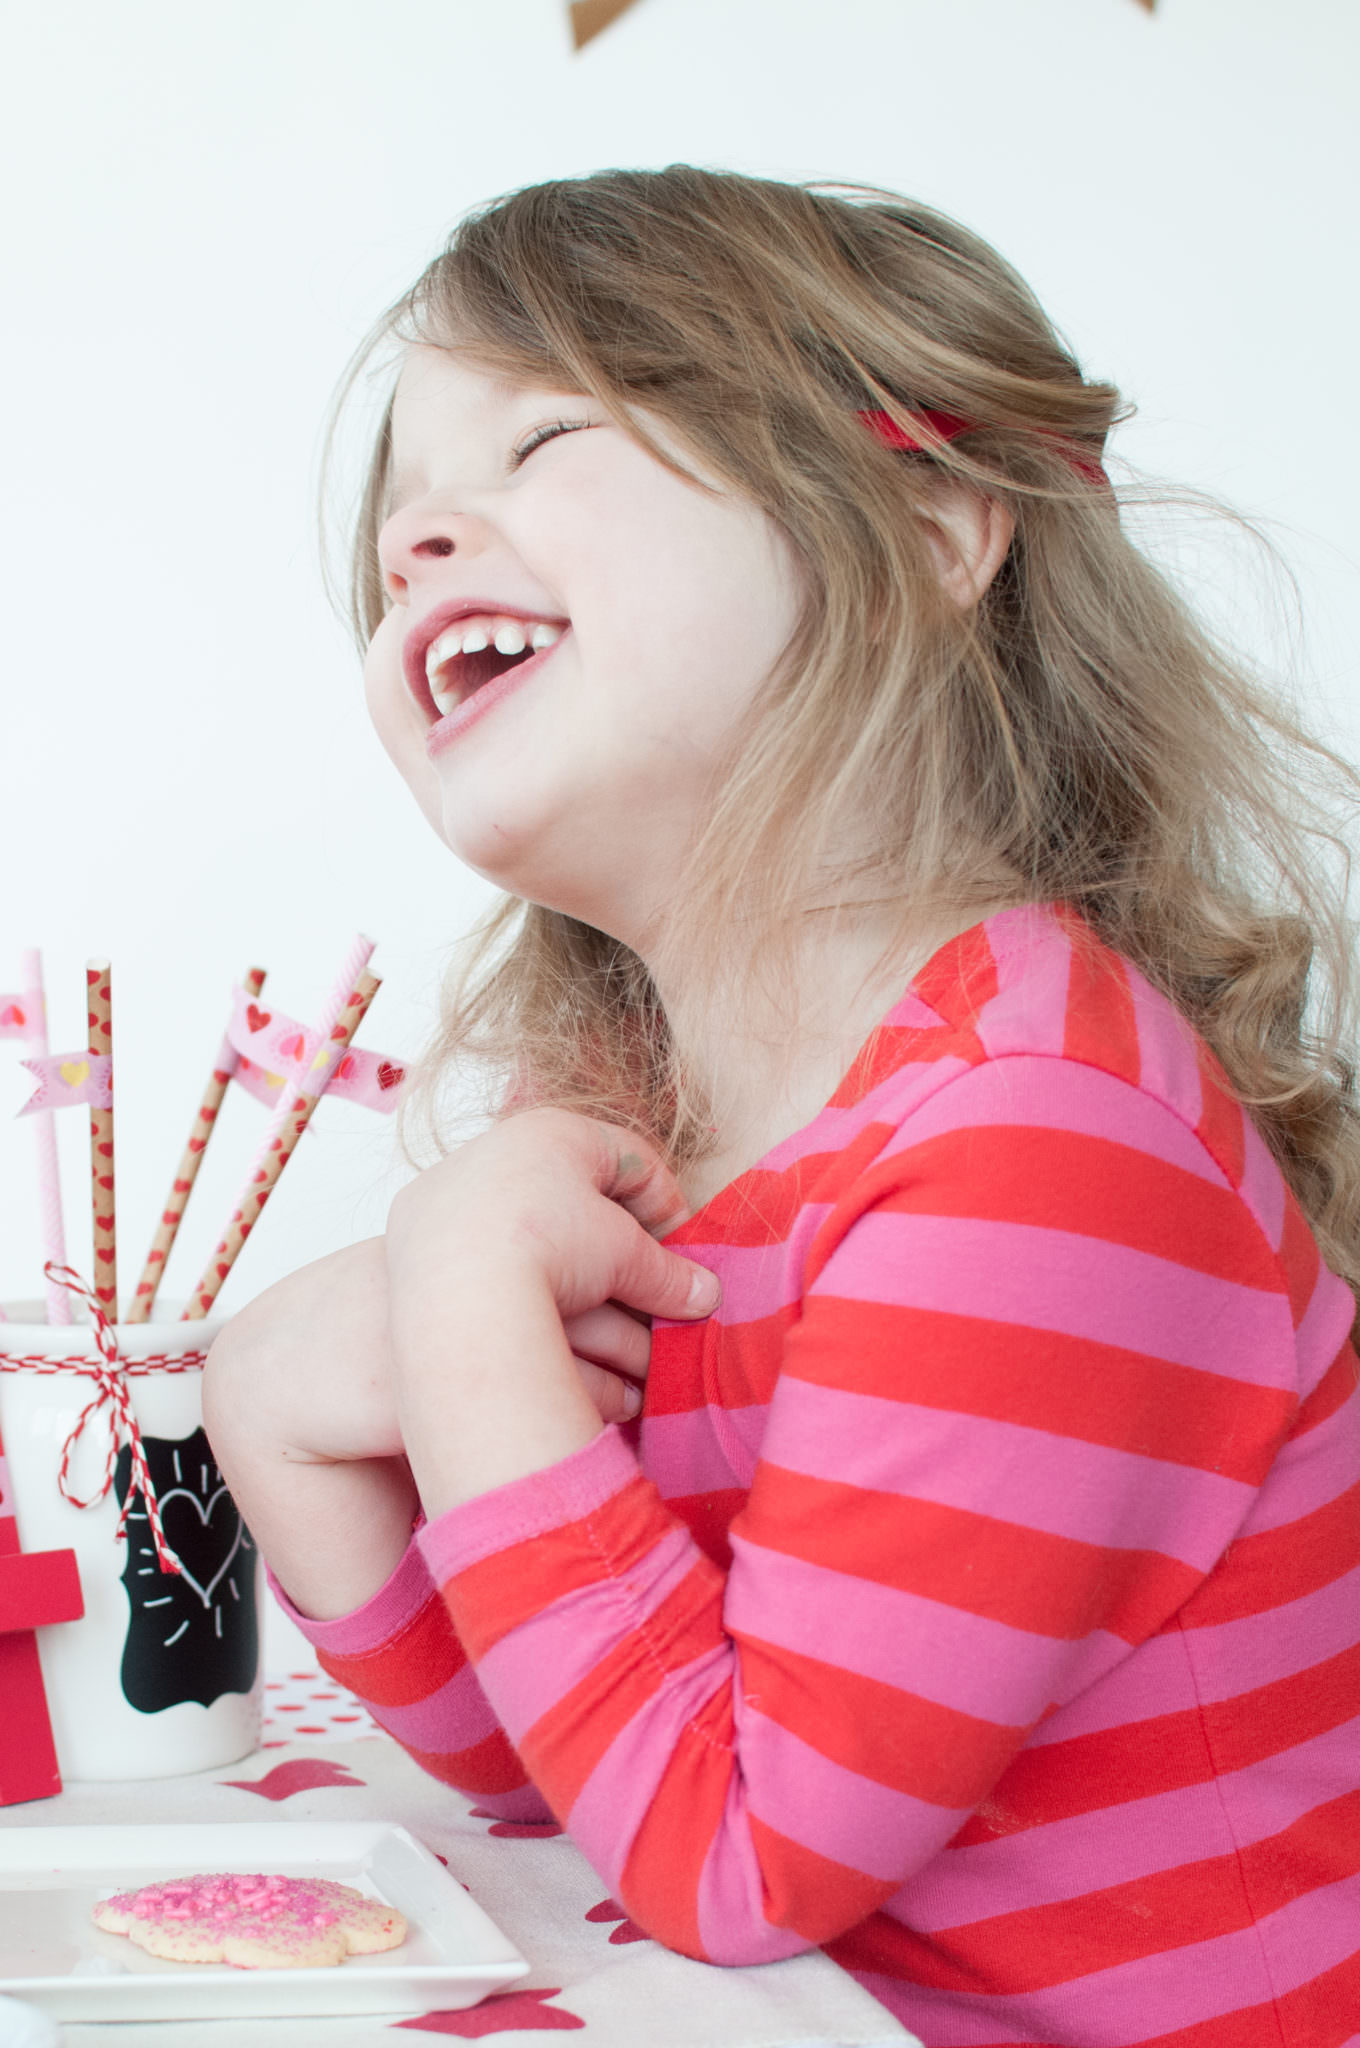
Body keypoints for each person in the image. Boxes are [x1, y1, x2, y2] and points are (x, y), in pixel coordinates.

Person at [202, 167, 1360, 2045]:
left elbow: (730, 1858)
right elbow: (561, 1762)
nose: (416, 535)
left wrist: (461, 1326)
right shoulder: (677, 1154)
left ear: (923, 523)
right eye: (398, 506)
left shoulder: (1040, 1132)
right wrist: (280, 1411)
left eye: (549, 429)